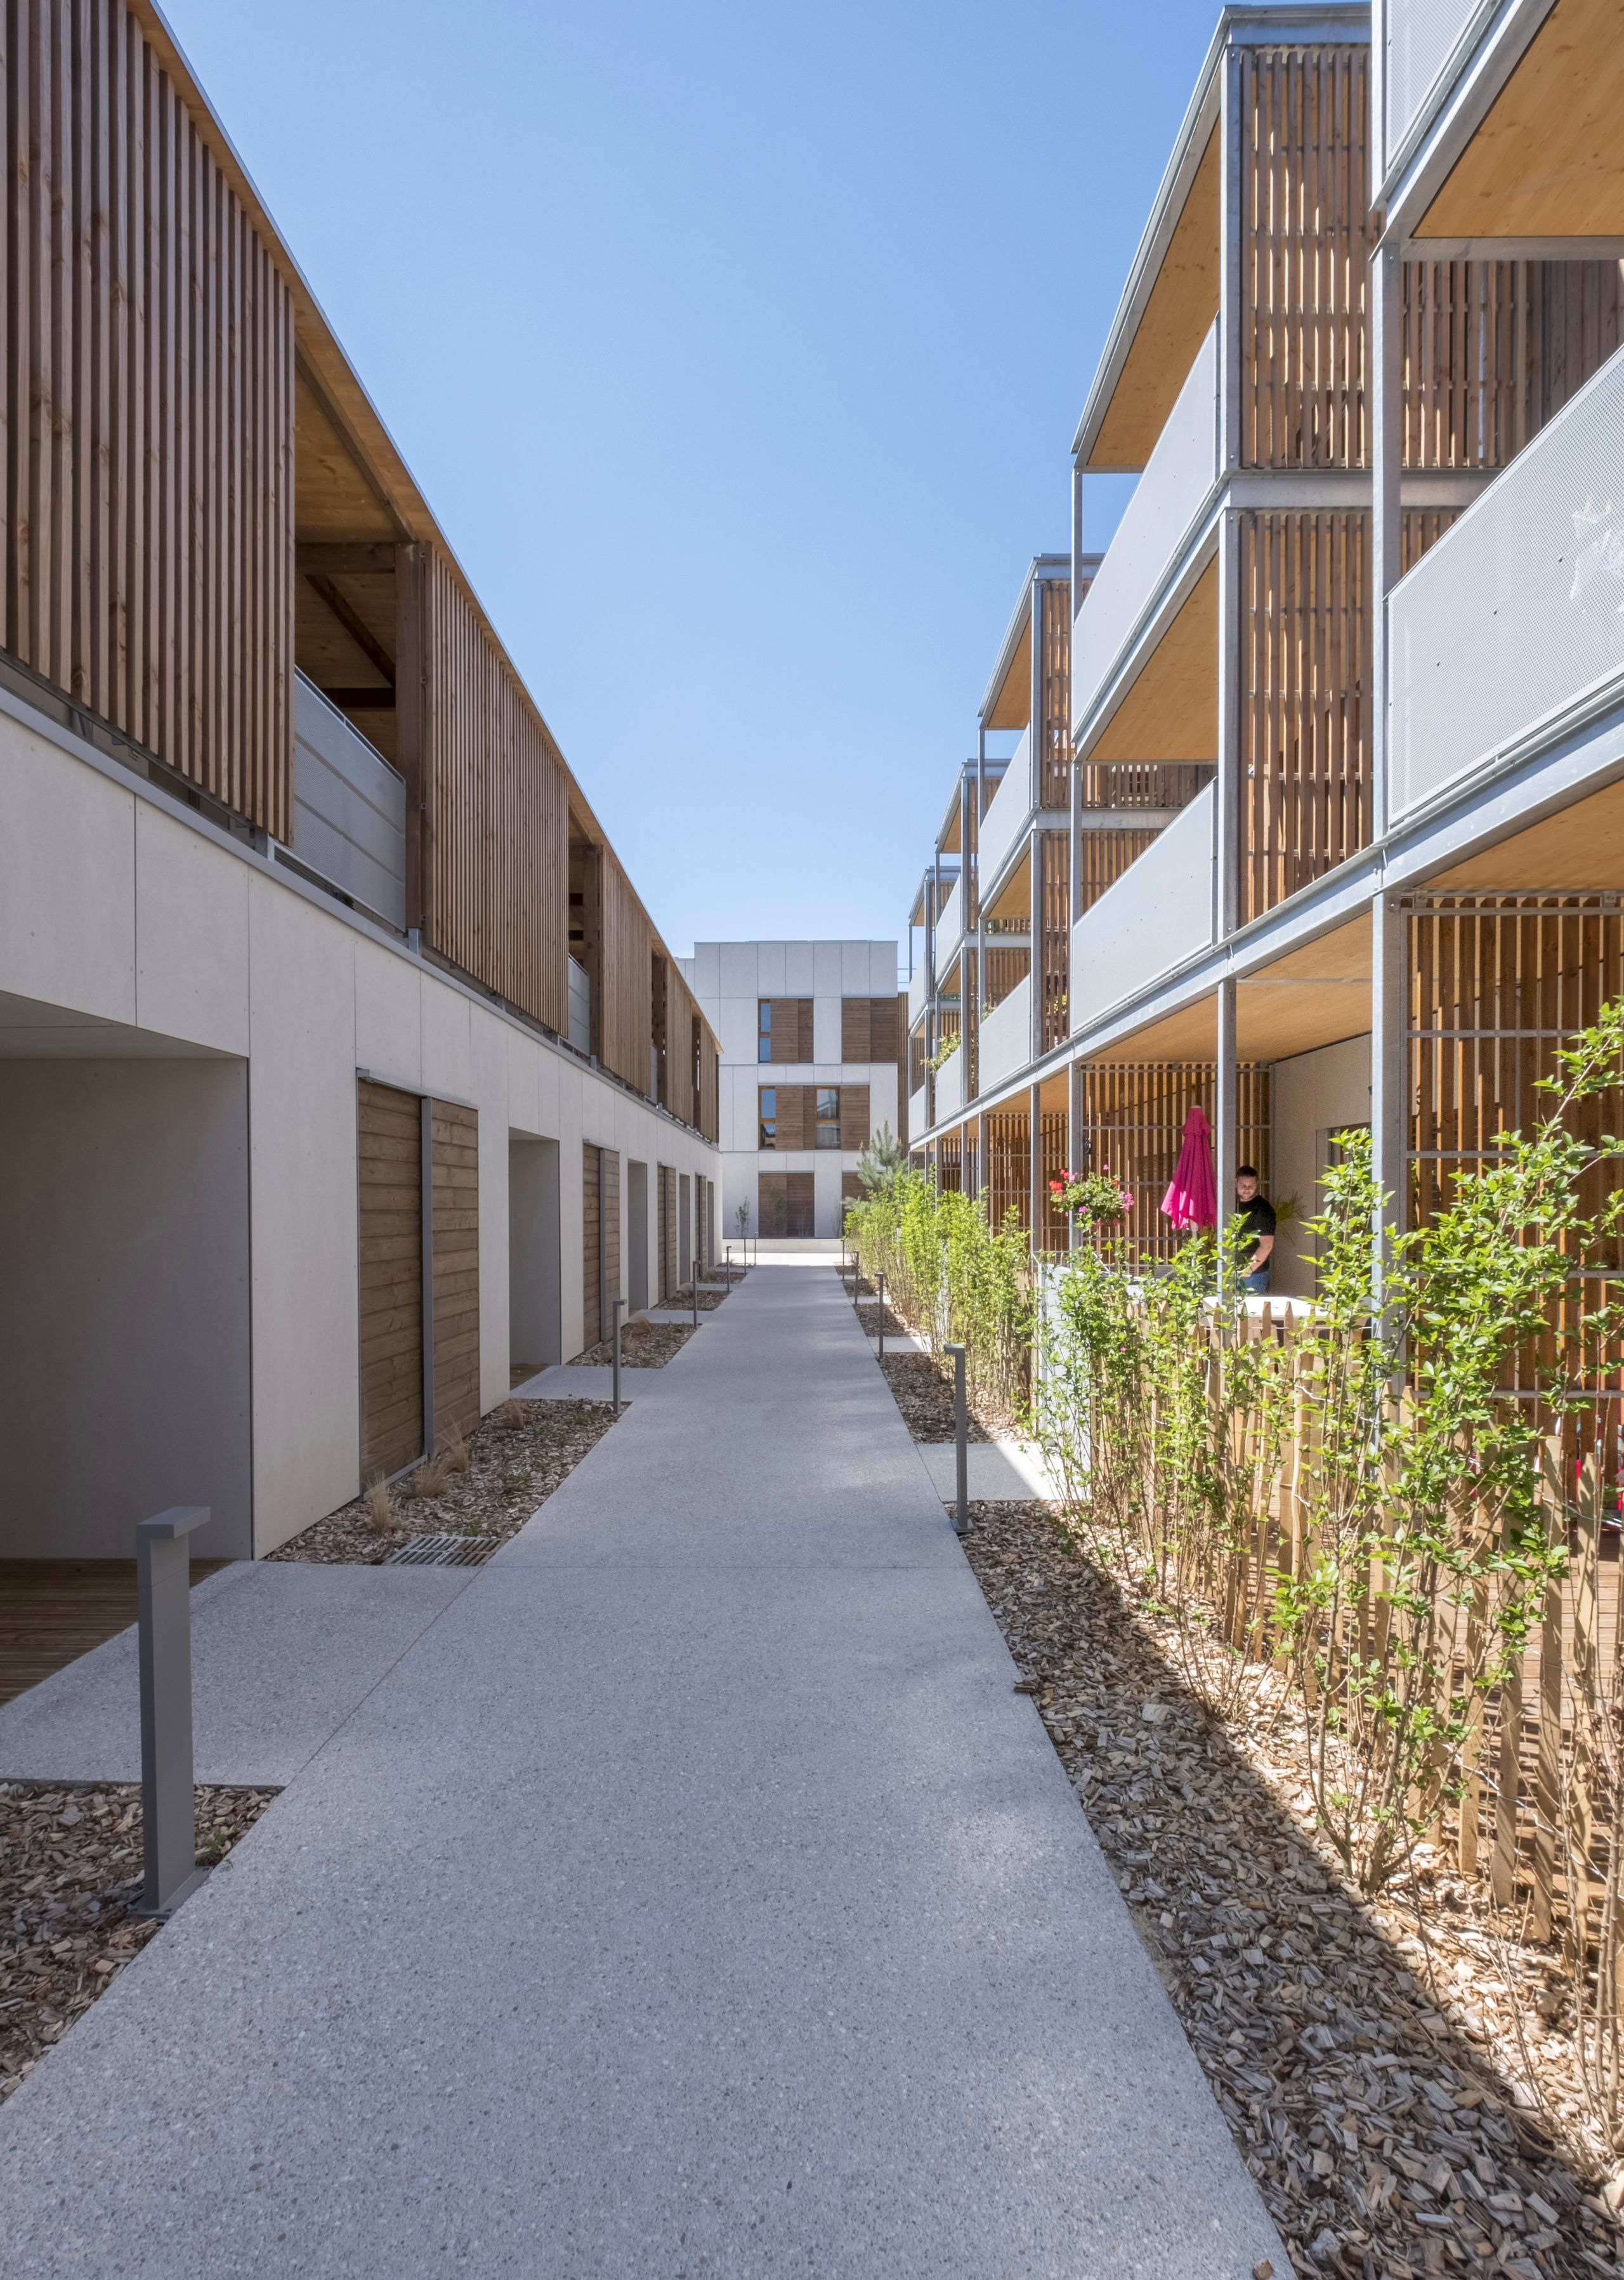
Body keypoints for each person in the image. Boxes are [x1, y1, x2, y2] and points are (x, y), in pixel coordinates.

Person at [1233, 1166, 1276, 1295]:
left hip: (1253, 1275)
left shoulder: (1263, 1210)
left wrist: (1248, 1270)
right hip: (1232, 1271)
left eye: (1251, 1185)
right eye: (1243, 1185)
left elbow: (1267, 1245)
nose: (1247, 1189)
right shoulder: (1233, 1204)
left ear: (1256, 1185)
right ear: (1236, 1183)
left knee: (1250, 1315)